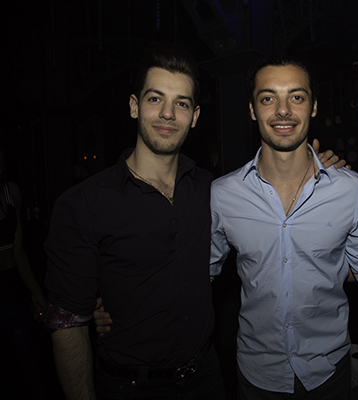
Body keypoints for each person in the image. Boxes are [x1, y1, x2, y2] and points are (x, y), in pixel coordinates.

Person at [44, 42, 224, 400]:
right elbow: (67, 322)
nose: (167, 114)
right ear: (133, 106)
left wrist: (319, 166)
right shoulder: (84, 204)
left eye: (181, 103)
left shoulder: (211, 190)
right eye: (155, 99)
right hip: (129, 387)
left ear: (195, 116)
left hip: (206, 378)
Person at [209, 57, 358, 399]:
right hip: (257, 375)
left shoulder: (350, 189)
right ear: (252, 110)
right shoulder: (223, 195)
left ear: (314, 107)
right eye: (268, 98)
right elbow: (196, 275)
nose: (283, 110)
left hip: (328, 371)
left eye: (296, 97)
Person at [0, 148, 48, 399]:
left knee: (28, 359)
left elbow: (18, 251)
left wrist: (37, 293)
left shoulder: (11, 193)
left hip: (10, 284)